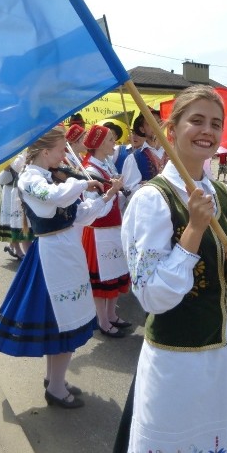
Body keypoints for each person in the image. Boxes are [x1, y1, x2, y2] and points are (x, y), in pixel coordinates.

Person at [120, 85, 227, 451]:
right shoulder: (151, 200)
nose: (208, 130)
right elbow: (152, 296)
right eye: (197, 121)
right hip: (178, 361)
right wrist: (193, 230)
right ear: (172, 131)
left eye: (216, 124)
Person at [0, 125, 123, 409]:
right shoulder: (31, 178)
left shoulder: (50, 176)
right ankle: (56, 387)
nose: (67, 155)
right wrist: (84, 183)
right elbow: (55, 199)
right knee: (64, 323)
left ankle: (55, 380)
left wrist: (107, 195)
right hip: (51, 258)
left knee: (64, 321)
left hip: (65, 253)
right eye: (63, 149)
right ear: (46, 151)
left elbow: (80, 215)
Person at [81, 125, 131, 339]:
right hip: (99, 233)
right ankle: (102, 320)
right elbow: (94, 211)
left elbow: (117, 200)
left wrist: (122, 193)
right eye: (111, 140)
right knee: (103, 279)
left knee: (116, 273)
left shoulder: (107, 164)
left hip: (113, 230)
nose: (115, 143)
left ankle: (112, 314)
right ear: (100, 144)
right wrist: (113, 193)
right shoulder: (89, 171)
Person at [121, 110, 168, 197]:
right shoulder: (135, 158)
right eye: (150, 123)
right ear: (142, 129)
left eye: (158, 122)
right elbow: (129, 190)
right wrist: (147, 187)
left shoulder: (174, 152)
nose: (156, 126)